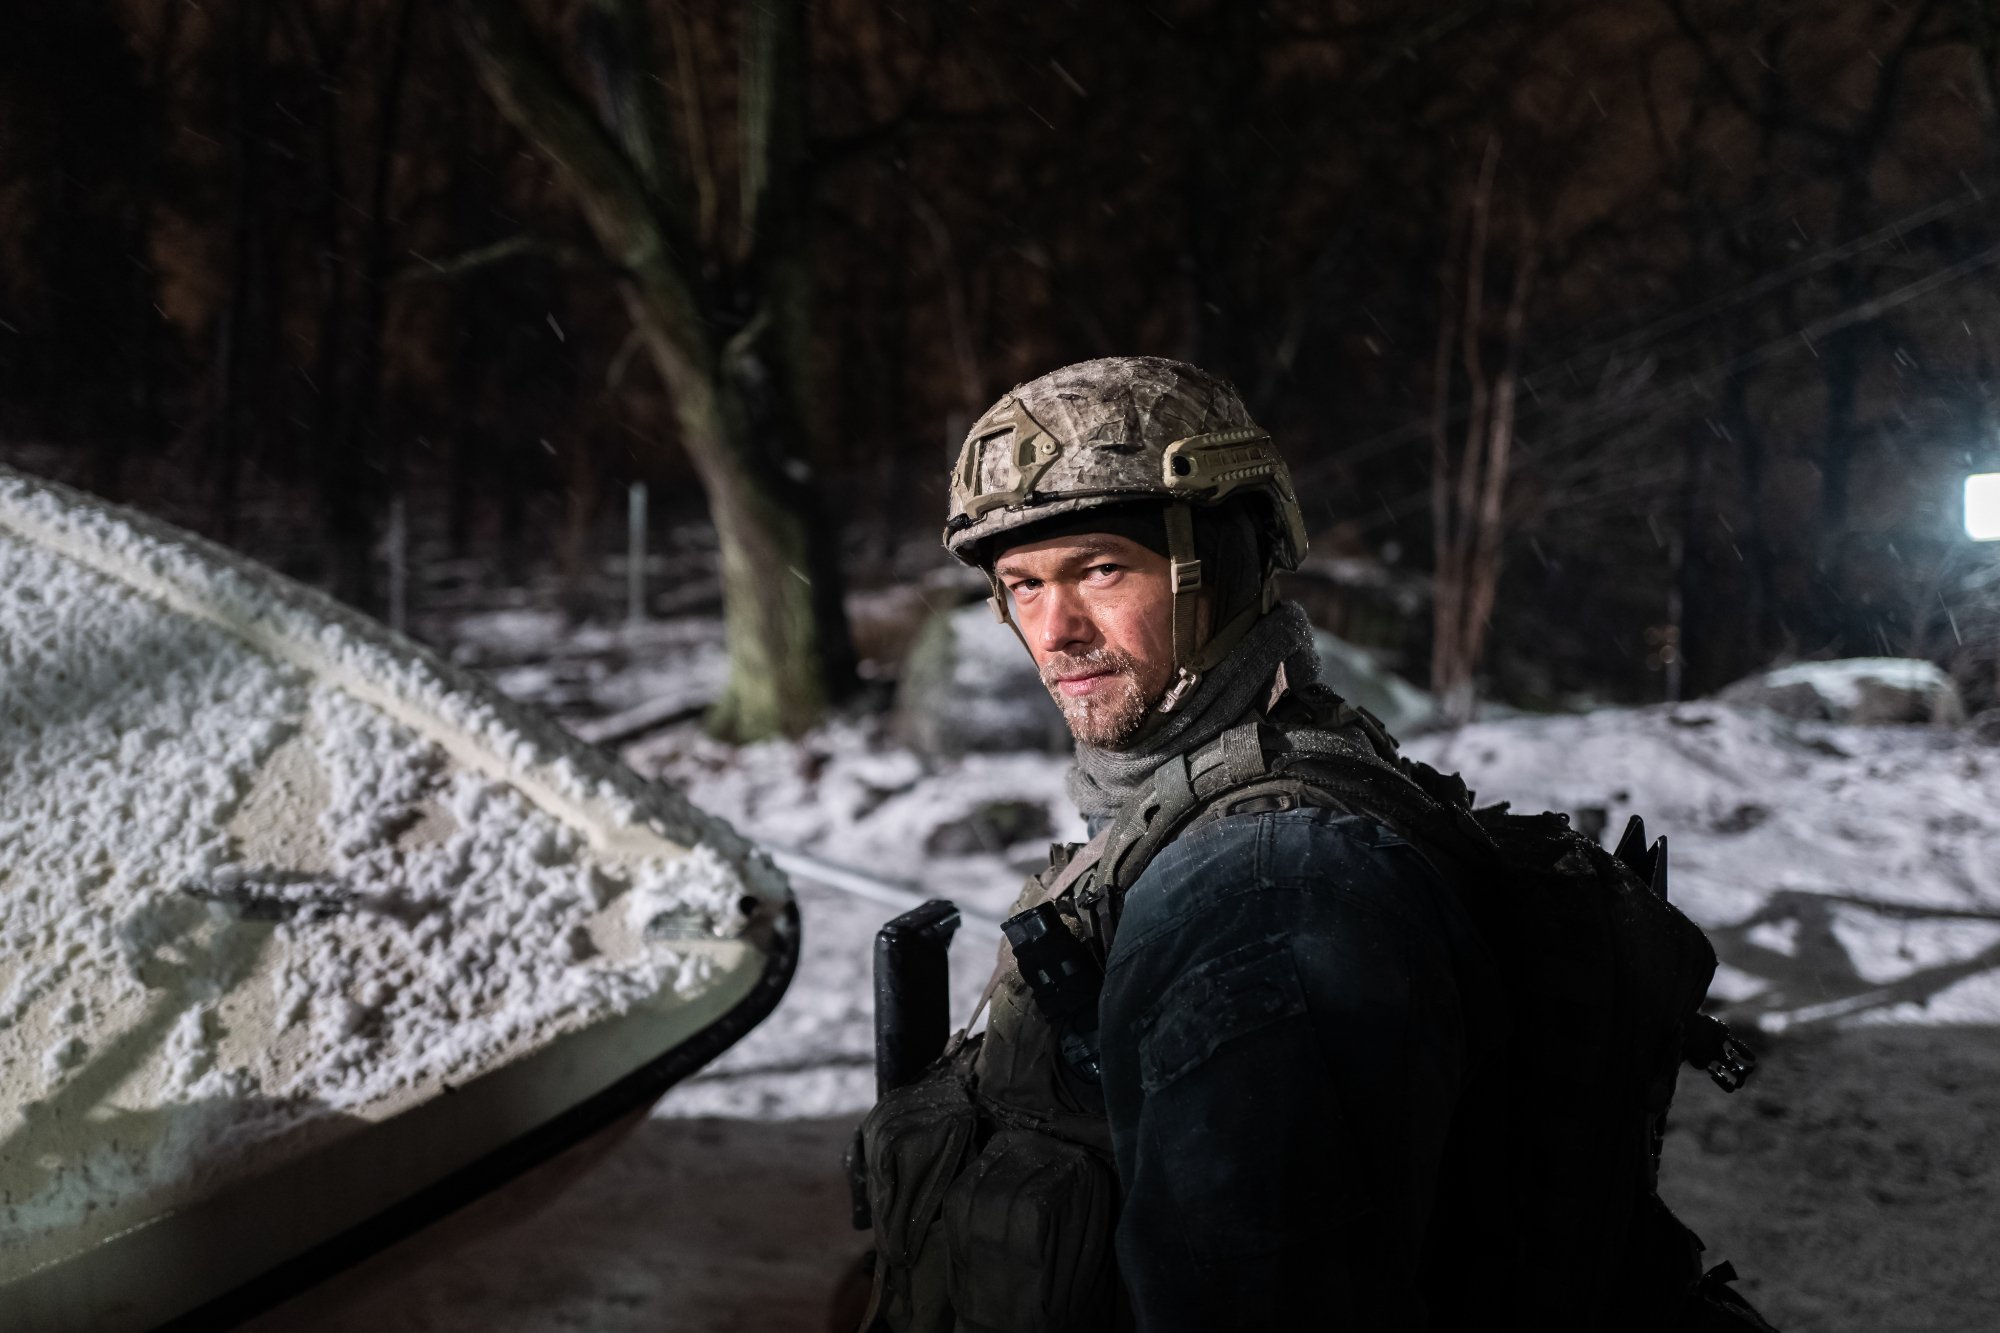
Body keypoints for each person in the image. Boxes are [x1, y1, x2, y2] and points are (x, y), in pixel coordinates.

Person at [855, 356, 1770, 1332]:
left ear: (1227, 562)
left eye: (1099, 569)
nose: (1055, 632)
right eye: (1022, 586)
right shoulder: (1212, 810)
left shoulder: (1267, 888)